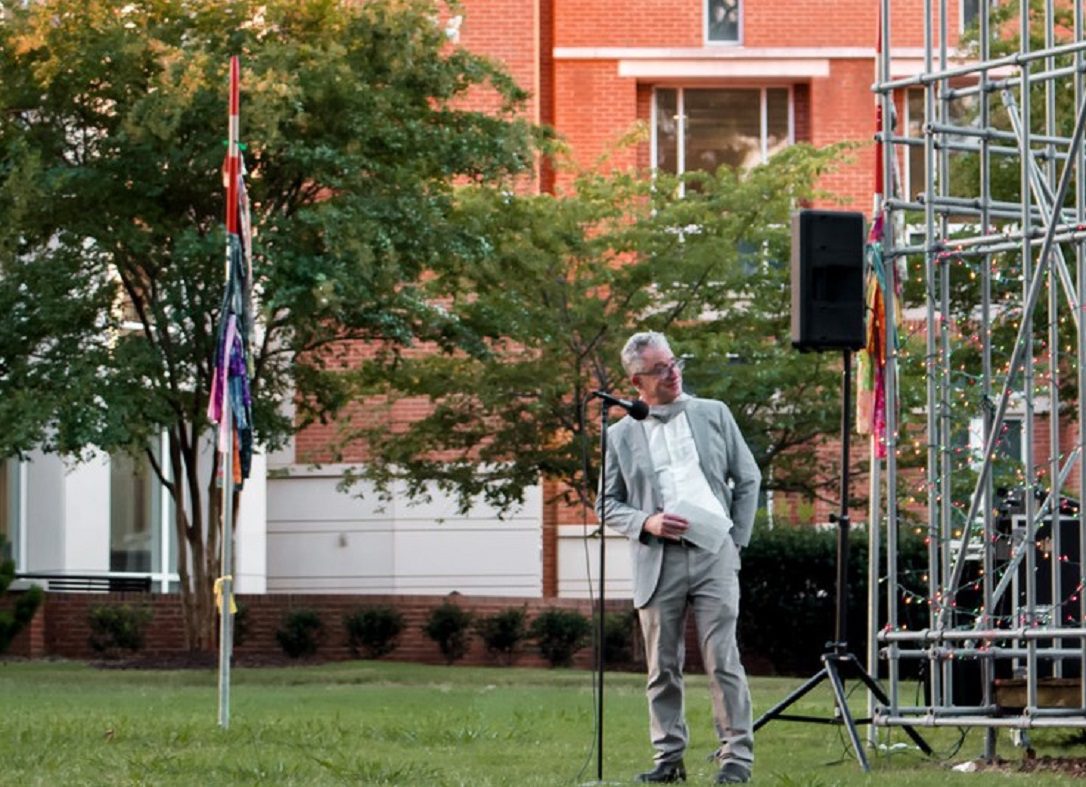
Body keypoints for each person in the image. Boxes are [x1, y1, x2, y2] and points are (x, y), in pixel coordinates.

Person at [597, 331, 760, 784]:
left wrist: (736, 543)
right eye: (659, 369)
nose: (672, 373)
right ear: (636, 382)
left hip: (714, 553)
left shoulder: (715, 414)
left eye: (673, 363)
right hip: (658, 559)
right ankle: (669, 759)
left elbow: (748, 478)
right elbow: (606, 503)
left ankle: (735, 759)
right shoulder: (619, 435)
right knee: (662, 665)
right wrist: (646, 522)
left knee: (722, 658)